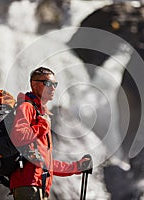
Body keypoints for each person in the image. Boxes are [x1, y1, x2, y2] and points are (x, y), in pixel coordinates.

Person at [10, 66, 92, 200]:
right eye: (48, 83)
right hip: (29, 185)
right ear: (34, 85)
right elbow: (18, 136)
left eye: (55, 84)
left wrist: (76, 167)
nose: (53, 88)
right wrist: (43, 125)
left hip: (37, 185)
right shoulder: (27, 107)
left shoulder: (40, 113)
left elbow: (45, 162)